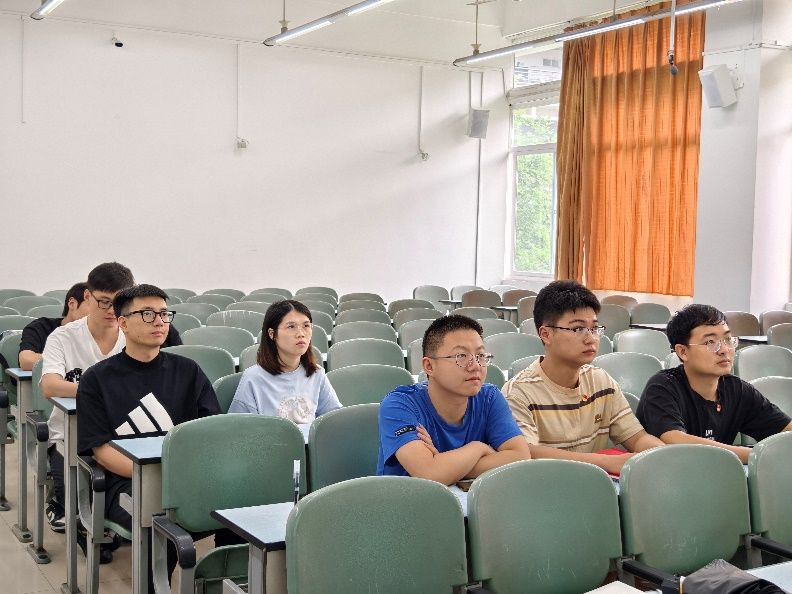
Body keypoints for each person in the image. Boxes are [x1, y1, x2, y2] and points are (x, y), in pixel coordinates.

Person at [77, 284, 227, 579]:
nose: (159, 321)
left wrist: (183, 476)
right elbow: (101, 451)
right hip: (125, 483)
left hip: (186, 478)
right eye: (147, 314)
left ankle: (221, 580)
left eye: (163, 314)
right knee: (161, 517)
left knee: (238, 508)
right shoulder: (97, 379)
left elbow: (210, 433)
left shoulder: (189, 371)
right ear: (123, 323)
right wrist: (161, 476)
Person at [503, 280, 663, 476]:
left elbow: (637, 437)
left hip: (596, 486)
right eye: (578, 329)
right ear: (546, 334)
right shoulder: (518, 392)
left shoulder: (601, 381)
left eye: (594, 328)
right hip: (545, 485)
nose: (591, 338)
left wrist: (661, 454)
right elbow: (528, 453)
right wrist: (605, 462)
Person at [377, 315, 531, 484]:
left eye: (480, 355)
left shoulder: (489, 397)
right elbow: (430, 474)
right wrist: (480, 448)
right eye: (461, 356)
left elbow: (520, 456)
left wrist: (445, 466)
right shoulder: (399, 405)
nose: (475, 365)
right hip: (408, 499)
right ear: (429, 366)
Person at [41, 262, 135, 535]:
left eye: (118, 303)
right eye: (104, 302)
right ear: (87, 297)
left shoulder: (133, 333)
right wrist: (100, 390)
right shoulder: (63, 337)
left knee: (119, 509)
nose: (111, 310)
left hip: (123, 434)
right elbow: (50, 386)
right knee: (77, 510)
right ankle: (61, 500)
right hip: (71, 436)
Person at [636, 304, 792, 463]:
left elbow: (785, 430)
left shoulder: (737, 389)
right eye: (710, 342)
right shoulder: (663, 387)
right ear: (683, 352)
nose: (724, 349)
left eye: (727, 339)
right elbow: (675, 440)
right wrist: (756, 456)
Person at [228, 299, 341, 422]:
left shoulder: (317, 373)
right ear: (272, 334)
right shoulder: (253, 378)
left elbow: (334, 419)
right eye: (291, 326)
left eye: (306, 326)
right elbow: (241, 427)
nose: (301, 334)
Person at [18, 283, 90, 371]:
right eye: (92, 305)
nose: (98, 312)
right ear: (72, 304)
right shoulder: (41, 327)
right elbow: (27, 360)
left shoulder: (101, 333)